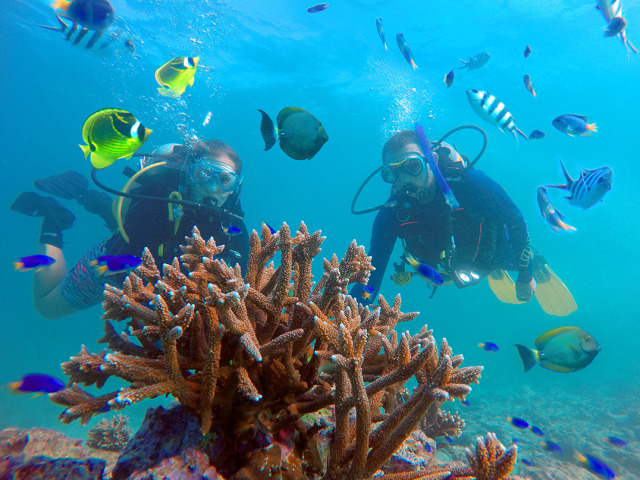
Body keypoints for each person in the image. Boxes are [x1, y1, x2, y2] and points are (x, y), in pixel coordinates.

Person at [10, 139, 249, 320]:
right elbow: (136, 248)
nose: (212, 188)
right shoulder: (157, 202)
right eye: (203, 174)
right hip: (115, 264)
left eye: (224, 180)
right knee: (47, 308)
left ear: (235, 187)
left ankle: (93, 200)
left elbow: (243, 280)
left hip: (155, 258)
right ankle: (53, 220)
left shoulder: (232, 223)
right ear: (189, 172)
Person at [350, 127, 576, 316]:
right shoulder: (393, 213)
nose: (405, 179)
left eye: (413, 166)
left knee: (513, 255)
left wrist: (526, 275)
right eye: (393, 173)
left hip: (498, 252)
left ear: (432, 160)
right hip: (445, 269)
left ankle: (534, 262)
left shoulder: (471, 182)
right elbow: (373, 269)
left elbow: (515, 219)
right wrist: (354, 312)